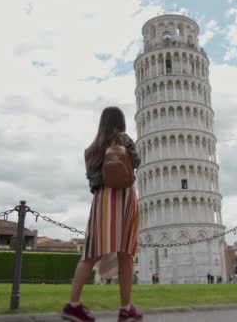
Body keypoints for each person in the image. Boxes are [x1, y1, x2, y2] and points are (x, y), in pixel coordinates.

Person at [62, 107, 142, 322]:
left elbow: (92, 179)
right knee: (126, 253)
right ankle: (125, 308)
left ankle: (73, 304)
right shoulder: (124, 139)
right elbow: (136, 162)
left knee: (91, 253)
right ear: (121, 122)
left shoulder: (91, 149)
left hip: (102, 201)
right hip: (124, 199)